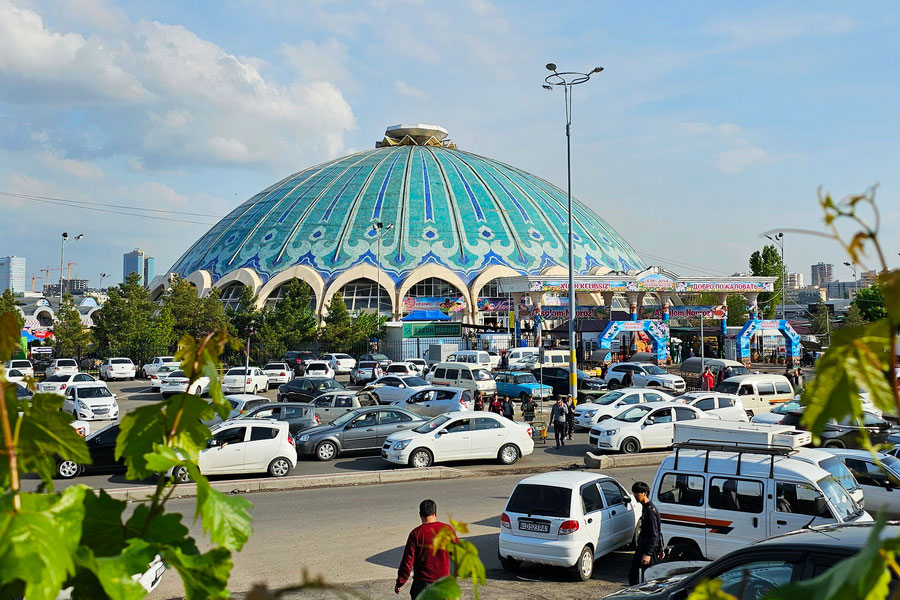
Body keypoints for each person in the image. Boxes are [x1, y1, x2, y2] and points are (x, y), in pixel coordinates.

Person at [395, 499, 454, 598]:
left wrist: (400, 582)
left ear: (420, 514)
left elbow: (407, 562)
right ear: (436, 513)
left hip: (422, 585)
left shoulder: (416, 534)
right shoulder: (447, 530)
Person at [630, 481, 662, 585]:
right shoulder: (646, 507)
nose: (635, 495)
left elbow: (654, 534)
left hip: (647, 548)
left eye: (637, 493)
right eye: (634, 492)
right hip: (645, 546)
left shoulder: (649, 511)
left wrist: (648, 553)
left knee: (645, 577)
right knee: (637, 575)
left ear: (645, 493)